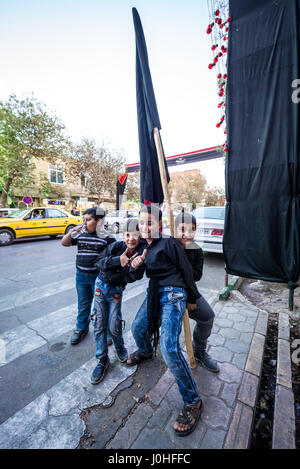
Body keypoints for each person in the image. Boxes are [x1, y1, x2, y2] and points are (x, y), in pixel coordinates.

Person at [127, 204, 202, 437]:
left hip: (174, 293)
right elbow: (133, 276)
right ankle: (146, 351)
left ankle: (193, 401)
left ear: (159, 225)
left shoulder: (169, 242)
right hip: (154, 292)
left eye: (149, 223)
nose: (145, 227)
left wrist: (192, 297)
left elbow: (186, 271)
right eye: (141, 223)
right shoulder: (141, 246)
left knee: (170, 350)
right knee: (137, 328)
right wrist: (135, 264)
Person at [90, 219, 143, 384]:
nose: (131, 238)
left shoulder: (141, 254)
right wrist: (116, 261)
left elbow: (134, 277)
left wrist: (134, 267)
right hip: (100, 286)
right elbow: (98, 261)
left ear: (141, 236)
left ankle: (120, 347)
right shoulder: (116, 246)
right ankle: (102, 360)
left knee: (114, 324)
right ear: (123, 235)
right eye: (128, 234)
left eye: (135, 235)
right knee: (99, 323)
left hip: (116, 291)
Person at [61, 207, 115, 345]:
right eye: (83, 220)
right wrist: (72, 232)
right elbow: (64, 243)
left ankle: (106, 330)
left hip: (98, 278)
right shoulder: (80, 235)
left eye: (88, 220)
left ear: (99, 221)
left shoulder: (107, 238)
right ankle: (81, 328)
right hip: (81, 276)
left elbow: (113, 258)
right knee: (83, 304)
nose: (85, 223)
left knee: (101, 306)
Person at [175, 212, 219, 373]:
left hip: (189, 293)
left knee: (207, 316)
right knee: (142, 326)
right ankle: (147, 349)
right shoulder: (167, 246)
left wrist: (191, 297)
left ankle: (199, 350)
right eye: (182, 229)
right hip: (166, 295)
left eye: (191, 229)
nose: (187, 234)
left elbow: (196, 276)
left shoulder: (196, 250)